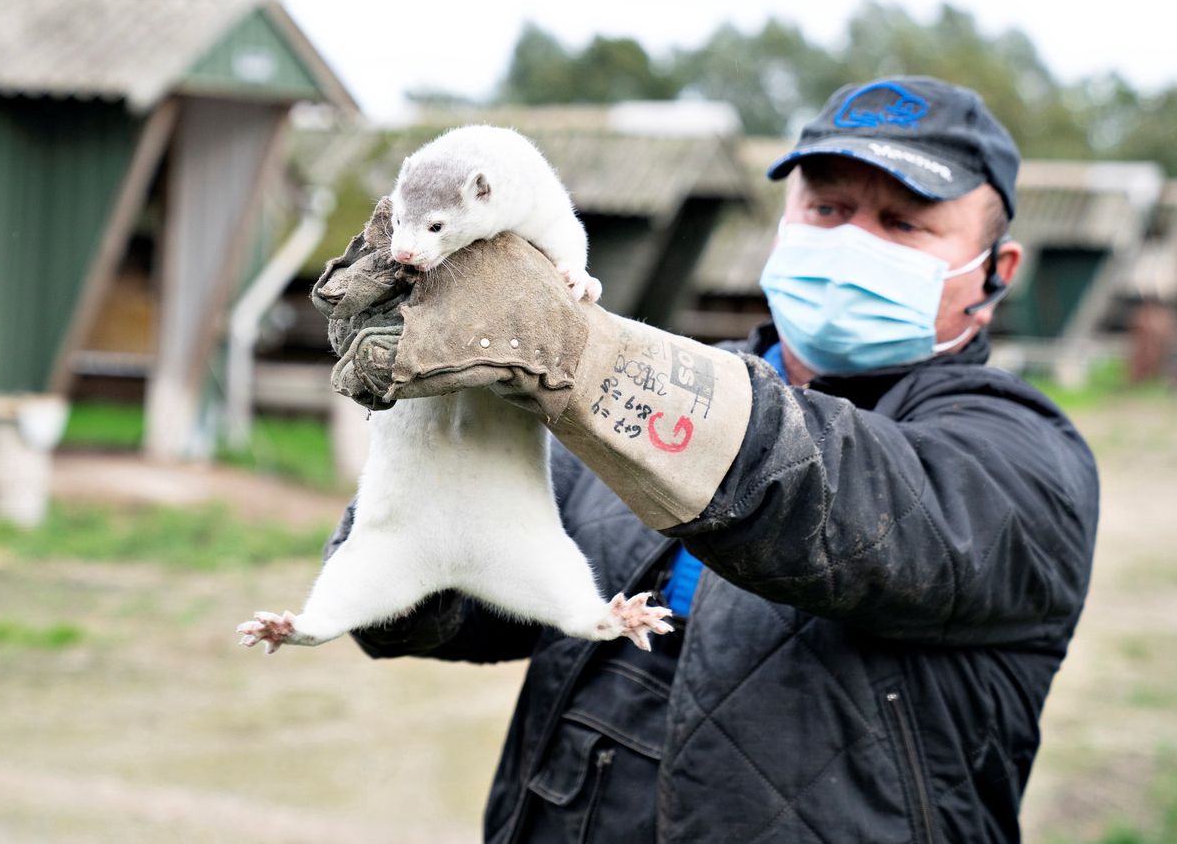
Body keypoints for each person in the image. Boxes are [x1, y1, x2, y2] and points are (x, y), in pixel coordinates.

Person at [322, 76, 1099, 843]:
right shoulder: (623, 404)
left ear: (999, 271)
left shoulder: (1025, 456)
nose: (852, 240)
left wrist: (577, 353)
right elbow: (453, 611)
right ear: (785, 221)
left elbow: (835, 490)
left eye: (903, 222)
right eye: (827, 208)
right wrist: (421, 458)